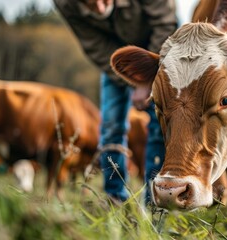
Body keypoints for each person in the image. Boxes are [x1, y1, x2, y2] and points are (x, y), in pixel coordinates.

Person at [53, 0, 178, 203]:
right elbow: (95, 45)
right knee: (110, 126)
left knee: (160, 124)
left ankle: (157, 201)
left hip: (162, 47)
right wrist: (132, 76)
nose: (101, 9)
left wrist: (148, 79)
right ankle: (115, 199)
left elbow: (165, 23)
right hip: (116, 59)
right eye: (91, 6)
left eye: (104, 1)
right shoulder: (65, 4)